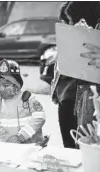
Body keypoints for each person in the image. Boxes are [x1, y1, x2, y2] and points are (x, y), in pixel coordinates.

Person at [51, 1, 100, 148]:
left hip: (91, 98)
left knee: (89, 151)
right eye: (66, 22)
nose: (70, 26)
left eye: (73, 21)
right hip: (67, 96)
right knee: (70, 150)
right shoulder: (70, 8)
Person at [0, 60, 46, 143]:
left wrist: (21, 136)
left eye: (6, 85)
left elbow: (40, 118)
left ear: (17, 85)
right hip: (7, 145)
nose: (2, 88)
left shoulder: (28, 98)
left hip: (31, 145)